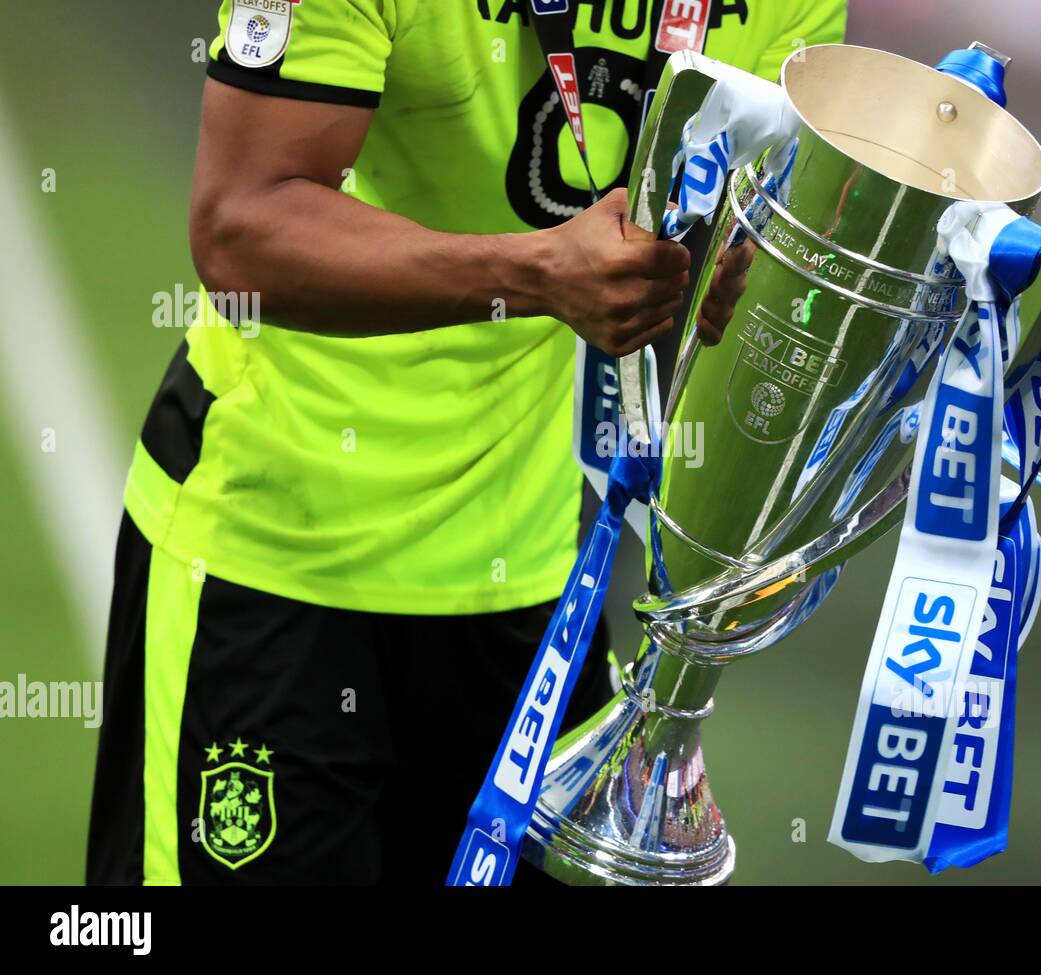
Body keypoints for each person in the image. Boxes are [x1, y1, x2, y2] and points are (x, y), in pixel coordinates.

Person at [87, 0, 846, 885]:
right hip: (274, 559)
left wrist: (720, 265)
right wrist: (535, 273)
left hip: (530, 573)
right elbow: (241, 226)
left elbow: (778, 244)